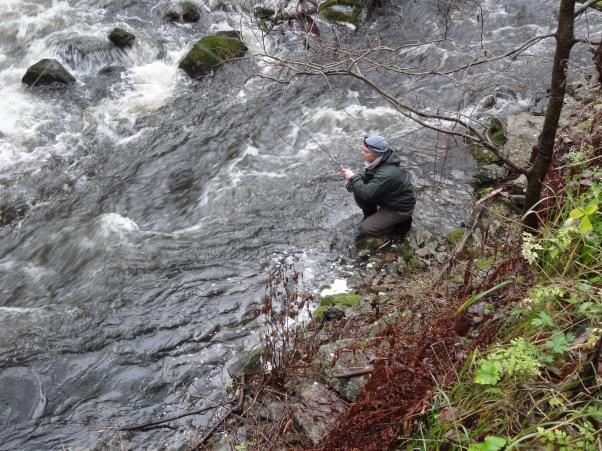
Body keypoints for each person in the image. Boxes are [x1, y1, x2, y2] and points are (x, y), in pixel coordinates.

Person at [340, 135, 416, 237]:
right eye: (362, 149)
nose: (362, 152)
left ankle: (393, 230)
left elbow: (366, 194)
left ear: (377, 154)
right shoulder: (381, 161)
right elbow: (367, 176)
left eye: (366, 151)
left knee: (365, 229)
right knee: (357, 189)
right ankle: (370, 214)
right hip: (389, 200)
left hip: (399, 209)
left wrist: (353, 178)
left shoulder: (387, 173)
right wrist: (352, 180)